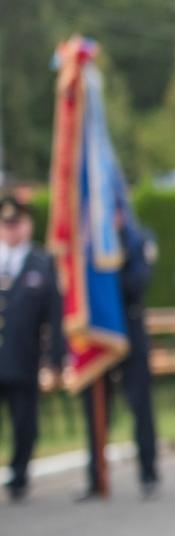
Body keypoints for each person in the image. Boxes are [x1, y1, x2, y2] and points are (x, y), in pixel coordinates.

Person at [78, 207, 161, 500]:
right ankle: (95, 476)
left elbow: (138, 283)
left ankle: (148, 472)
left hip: (130, 330)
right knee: (95, 409)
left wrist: (119, 245)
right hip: (97, 334)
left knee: (140, 406)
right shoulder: (84, 243)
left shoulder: (137, 239)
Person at [0, 196, 65, 503]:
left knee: (25, 422)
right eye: (6, 224)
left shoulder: (42, 262)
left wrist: (53, 360)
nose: (12, 231)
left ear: (28, 225)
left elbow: (54, 315)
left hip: (24, 358)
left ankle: (19, 474)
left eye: (17, 224)